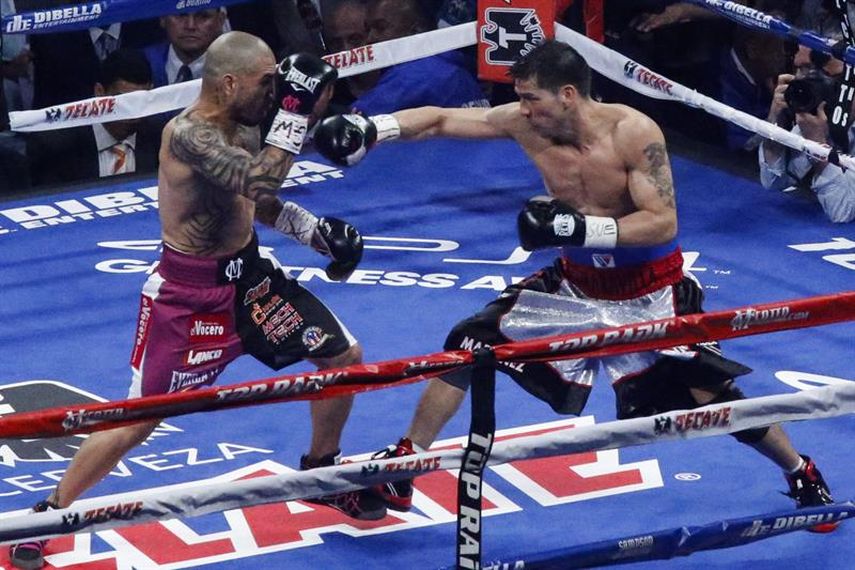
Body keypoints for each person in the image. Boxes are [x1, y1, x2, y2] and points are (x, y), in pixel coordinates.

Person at [314, 39, 838, 527]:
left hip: (649, 287)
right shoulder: (529, 124)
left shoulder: (633, 132)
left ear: (568, 95)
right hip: (575, 282)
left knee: (708, 395)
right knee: (468, 344)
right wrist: (372, 129)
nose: (521, 108)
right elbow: (439, 120)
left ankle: (799, 468)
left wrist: (577, 226)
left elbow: (662, 222)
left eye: (530, 97)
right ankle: (408, 464)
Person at [8, 31, 384, 570]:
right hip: (189, 300)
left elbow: (258, 201)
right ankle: (45, 515)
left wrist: (313, 232)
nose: (275, 91)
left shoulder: (247, 124)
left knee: (341, 358)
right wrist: (296, 111)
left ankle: (320, 470)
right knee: (139, 418)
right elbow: (257, 179)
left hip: (252, 281)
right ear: (229, 82)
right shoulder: (187, 134)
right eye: (267, 82)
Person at [759, 29, 855, 223]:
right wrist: (774, 124)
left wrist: (817, 145)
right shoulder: (817, 113)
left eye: (827, 74)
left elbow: (842, 211)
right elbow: (773, 181)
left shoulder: (819, 123)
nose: (812, 81)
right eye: (803, 69)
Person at [26, 48, 160, 186]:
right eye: (122, 101)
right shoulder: (56, 147)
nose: (132, 113)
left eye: (140, 101)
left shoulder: (161, 137)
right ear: (100, 92)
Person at [350, 0, 488, 114]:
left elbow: (354, 121)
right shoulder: (453, 67)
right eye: (368, 30)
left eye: (381, 27)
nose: (370, 38)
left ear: (416, 30)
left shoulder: (418, 74)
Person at [144, 8, 227, 86]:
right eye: (180, 15)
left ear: (221, 20)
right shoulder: (142, 62)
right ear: (162, 18)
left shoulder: (235, 68)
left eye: (203, 16)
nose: (190, 26)